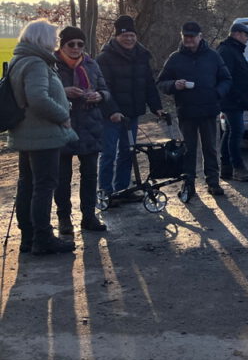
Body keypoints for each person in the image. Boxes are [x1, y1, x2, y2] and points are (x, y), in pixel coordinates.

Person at [8, 19, 77, 255]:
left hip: (27, 133)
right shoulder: (36, 63)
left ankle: (28, 237)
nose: (56, 41)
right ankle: (43, 238)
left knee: (27, 184)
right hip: (42, 135)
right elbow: (37, 98)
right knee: (44, 186)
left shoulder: (21, 60)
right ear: (42, 38)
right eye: (54, 37)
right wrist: (62, 115)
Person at [157, 21, 232, 197]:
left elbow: (226, 79)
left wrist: (217, 93)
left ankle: (213, 182)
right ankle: (188, 183)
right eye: (186, 36)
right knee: (188, 149)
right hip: (186, 111)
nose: (188, 39)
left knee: (210, 148)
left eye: (192, 36)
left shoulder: (213, 56)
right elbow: (161, 82)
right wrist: (174, 85)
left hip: (208, 110)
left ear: (200, 36)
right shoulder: (175, 58)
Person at [95, 15, 164, 202]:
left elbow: (148, 84)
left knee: (128, 151)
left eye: (132, 35)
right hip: (111, 116)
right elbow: (103, 88)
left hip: (132, 115)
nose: (129, 39)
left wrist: (157, 108)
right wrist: (112, 111)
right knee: (108, 153)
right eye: (125, 35)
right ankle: (106, 192)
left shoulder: (142, 56)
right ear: (117, 36)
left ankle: (123, 189)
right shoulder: (104, 58)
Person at [54, 26, 112, 234]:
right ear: (62, 45)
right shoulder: (51, 65)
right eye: (71, 44)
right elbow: (43, 93)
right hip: (63, 125)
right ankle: (64, 219)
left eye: (80, 44)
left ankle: (89, 216)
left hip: (90, 125)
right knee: (62, 177)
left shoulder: (91, 64)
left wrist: (100, 96)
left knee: (89, 175)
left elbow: (105, 89)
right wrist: (63, 91)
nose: (76, 48)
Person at [217, 22, 248, 182]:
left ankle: (226, 168)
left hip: (234, 99)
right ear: (237, 34)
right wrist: (238, 96)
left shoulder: (234, 50)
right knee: (237, 132)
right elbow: (226, 77)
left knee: (229, 132)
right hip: (231, 100)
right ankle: (238, 168)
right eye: (246, 35)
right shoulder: (227, 51)